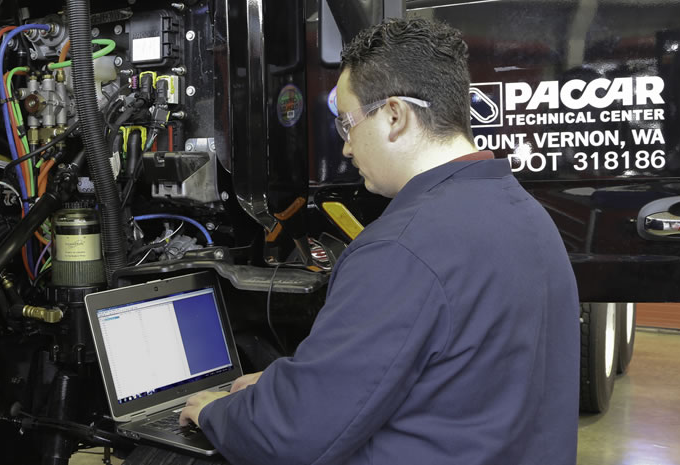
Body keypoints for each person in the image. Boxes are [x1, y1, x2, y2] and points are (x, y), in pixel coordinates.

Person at [177, 18, 579, 465]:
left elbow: (295, 435)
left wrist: (220, 412)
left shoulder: (401, 247)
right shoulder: (525, 212)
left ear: (394, 115)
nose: (346, 148)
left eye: (346, 123)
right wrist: (282, 388)